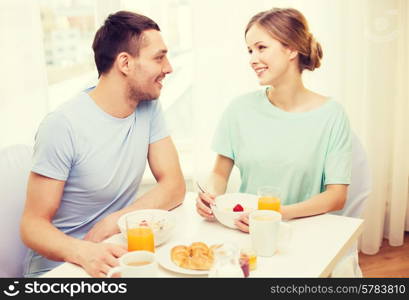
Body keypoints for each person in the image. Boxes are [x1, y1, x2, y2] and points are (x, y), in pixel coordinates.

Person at [20, 11, 186, 277]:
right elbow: (32, 226)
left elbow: (174, 185)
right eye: (159, 57)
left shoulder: (149, 107)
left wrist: (115, 222)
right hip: (62, 268)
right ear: (125, 63)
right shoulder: (62, 125)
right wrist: (83, 251)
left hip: (115, 253)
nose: (168, 67)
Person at [196, 8, 352, 232]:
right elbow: (220, 173)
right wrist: (210, 197)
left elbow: (336, 196)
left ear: (291, 49)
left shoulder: (332, 115)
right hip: (245, 229)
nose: (252, 59)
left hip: (303, 231)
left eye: (261, 48)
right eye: (249, 50)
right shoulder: (239, 109)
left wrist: (276, 214)